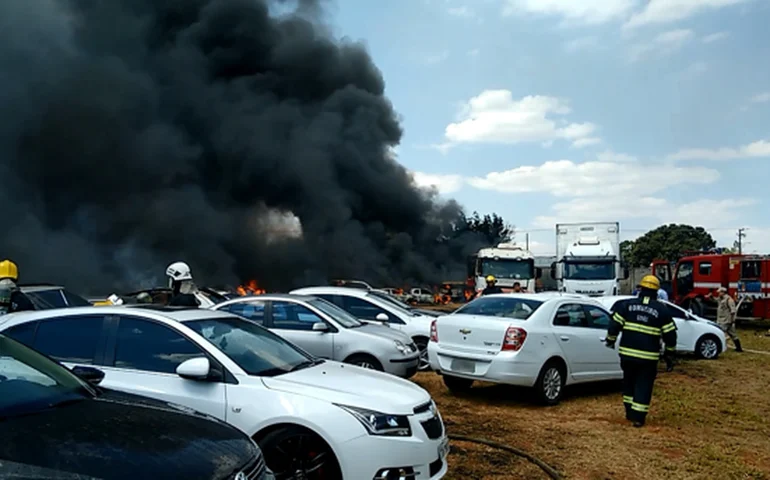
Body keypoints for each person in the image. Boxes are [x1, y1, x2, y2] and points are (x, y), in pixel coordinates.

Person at [606, 275, 677, 428]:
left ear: (641, 289)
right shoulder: (662, 310)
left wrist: (610, 340)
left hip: (627, 354)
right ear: (656, 292)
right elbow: (670, 335)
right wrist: (670, 354)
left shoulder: (626, 305)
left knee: (629, 382)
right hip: (648, 358)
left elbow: (614, 326)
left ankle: (629, 412)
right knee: (643, 384)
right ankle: (638, 418)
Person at [714, 287, 742, 352]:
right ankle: (739, 348)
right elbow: (714, 300)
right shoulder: (720, 299)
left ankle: (720, 347)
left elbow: (733, 311)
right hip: (723, 320)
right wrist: (711, 297)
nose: (718, 294)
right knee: (733, 334)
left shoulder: (729, 300)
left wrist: (732, 320)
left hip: (725, 321)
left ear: (723, 292)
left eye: (719, 292)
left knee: (720, 333)